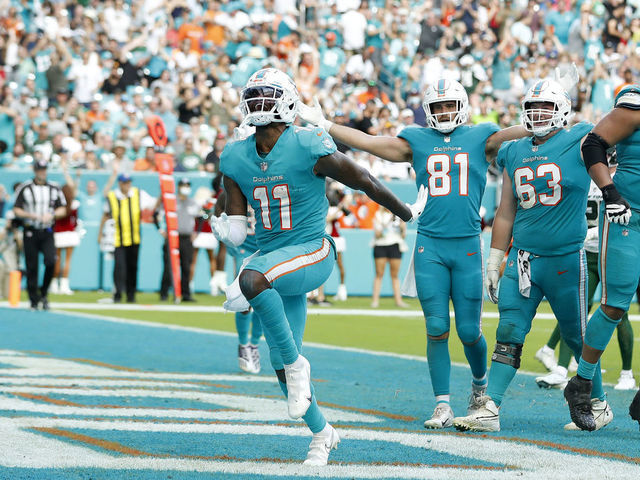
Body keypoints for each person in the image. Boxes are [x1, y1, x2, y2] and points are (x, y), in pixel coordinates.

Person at [213, 68, 427, 466]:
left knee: (250, 281)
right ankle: (322, 433)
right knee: (278, 363)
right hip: (275, 260)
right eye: (255, 96)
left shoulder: (306, 142)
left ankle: (298, 367)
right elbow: (239, 232)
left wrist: (406, 212)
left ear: (287, 102)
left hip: (312, 252)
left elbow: (363, 178)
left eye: (267, 96)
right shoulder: (235, 154)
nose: (260, 103)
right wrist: (222, 223)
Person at [298, 78, 529, 429]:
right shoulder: (416, 140)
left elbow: (517, 131)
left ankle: (480, 388)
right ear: (428, 111)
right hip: (430, 244)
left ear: (463, 105)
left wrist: (541, 115)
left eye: (450, 105)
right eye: (438, 107)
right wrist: (326, 124)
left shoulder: (481, 136)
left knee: (469, 331)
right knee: (436, 327)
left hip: (467, 244)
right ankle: (441, 404)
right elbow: (372, 143)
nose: (445, 112)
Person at [453, 78, 611, 433]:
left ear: (563, 111)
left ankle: (598, 403)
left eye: (546, 108)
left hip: (565, 260)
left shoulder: (581, 137)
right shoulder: (515, 149)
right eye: (532, 108)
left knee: (576, 336)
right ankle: (489, 407)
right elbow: (506, 211)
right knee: (509, 329)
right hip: (523, 259)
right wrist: (495, 259)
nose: (538, 114)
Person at [566, 84, 640, 430]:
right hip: (631, 215)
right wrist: (610, 192)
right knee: (615, 303)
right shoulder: (635, 106)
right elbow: (593, 142)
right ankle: (581, 385)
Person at [535, 154, 636, 391]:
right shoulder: (587, 174)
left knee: (619, 311)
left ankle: (627, 373)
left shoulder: (623, 178)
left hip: (614, 249)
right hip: (587, 253)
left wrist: (596, 232)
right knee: (575, 309)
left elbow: (628, 212)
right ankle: (561, 369)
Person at [215, 189, 263, 374]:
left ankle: (254, 344)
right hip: (243, 249)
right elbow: (219, 206)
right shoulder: (233, 190)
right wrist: (223, 230)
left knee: (265, 301)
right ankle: (243, 344)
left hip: (265, 247)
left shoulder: (265, 185)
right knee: (243, 300)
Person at [13, 159, 67, 310]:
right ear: (35, 170)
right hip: (31, 230)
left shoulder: (54, 188)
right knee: (32, 266)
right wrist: (32, 216)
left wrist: (51, 215)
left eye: (44, 169)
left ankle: (43, 293)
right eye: (39, 169)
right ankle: (33, 298)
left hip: (47, 231)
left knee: (51, 261)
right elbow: (16, 209)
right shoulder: (25, 188)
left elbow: (63, 209)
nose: (42, 172)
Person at [99, 170, 155, 303]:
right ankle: (118, 294)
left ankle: (131, 295)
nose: (127, 185)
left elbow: (153, 204)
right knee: (119, 267)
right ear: (120, 183)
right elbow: (105, 215)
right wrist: (100, 233)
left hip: (134, 237)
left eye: (128, 182)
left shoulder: (138, 194)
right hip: (117, 238)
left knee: (132, 267)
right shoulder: (113, 196)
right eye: (124, 183)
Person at [158, 178, 199, 302]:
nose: (185, 187)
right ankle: (164, 292)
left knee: (186, 267)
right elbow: (158, 215)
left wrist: (197, 232)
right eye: (183, 185)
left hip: (186, 238)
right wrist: (161, 229)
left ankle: (185, 293)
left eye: (187, 185)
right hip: (172, 237)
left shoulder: (193, 203)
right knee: (169, 266)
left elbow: (201, 218)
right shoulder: (171, 202)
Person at [51, 160, 81, 295]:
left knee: (57, 260)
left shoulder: (58, 206)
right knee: (67, 260)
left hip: (58, 234)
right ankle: (64, 285)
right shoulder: (73, 205)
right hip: (69, 233)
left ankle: (54, 285)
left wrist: (66, 172)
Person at [370, 206, 407, 308]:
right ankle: (375, 300)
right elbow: (377, 234)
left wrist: (402, 227)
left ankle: (398, 301)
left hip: (395, 245)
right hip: (381, 245)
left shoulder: (399, 217)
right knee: (379, 274)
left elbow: (403, 235)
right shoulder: (378, 215)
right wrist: (388, 222)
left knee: (395, 275)